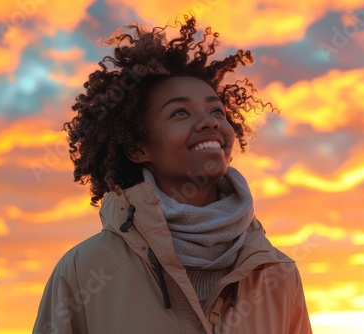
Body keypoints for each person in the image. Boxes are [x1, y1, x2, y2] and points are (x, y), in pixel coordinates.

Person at [33, 15, 312, 334]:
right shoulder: (84, 270)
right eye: (180, 112)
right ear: (137, 148)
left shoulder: (278, 273)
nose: (210, 122)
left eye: (217, 110)